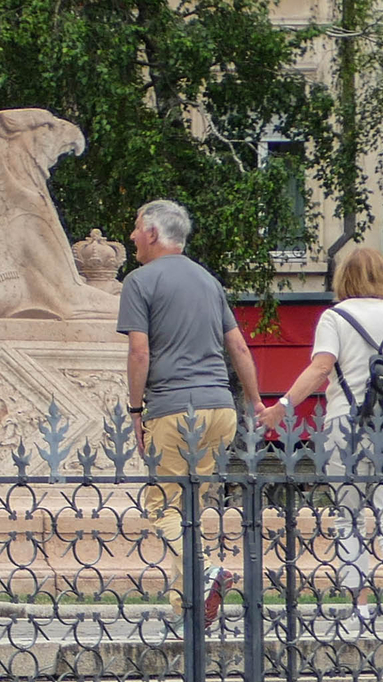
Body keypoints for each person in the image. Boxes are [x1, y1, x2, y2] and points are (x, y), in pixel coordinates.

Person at [258, 245, 383, 661]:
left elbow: (321, 368)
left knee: (348, 516)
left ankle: (358, 607)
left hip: (345, 425)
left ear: (344, 278)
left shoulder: (334, 318)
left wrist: (280, 408)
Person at [119, 199, 260, 576]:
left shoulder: (139, 281)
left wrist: (136, 411)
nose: (132, 235)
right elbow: (239, 347)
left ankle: (208, 569)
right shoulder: (209, 281)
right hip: (221, 408)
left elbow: (138, 351)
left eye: (136, 227)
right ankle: (187, 607)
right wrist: (256, 401)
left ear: (152, 233)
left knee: (161, 508)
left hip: (173, 407)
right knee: (187, 511)